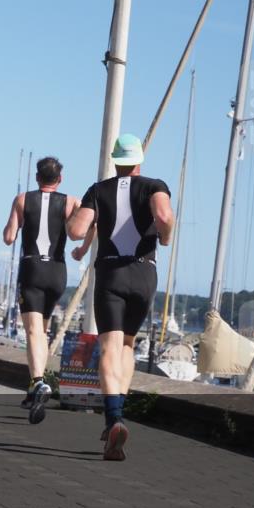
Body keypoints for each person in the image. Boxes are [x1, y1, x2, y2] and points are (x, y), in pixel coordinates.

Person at [67, 134, 173, 460]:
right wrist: (164, 239)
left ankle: (113, 418)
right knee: (127, 344)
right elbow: (165, 218)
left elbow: (75, 231)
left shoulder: (98, 190)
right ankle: (119, 411)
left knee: (109, 346)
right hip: (144, 274)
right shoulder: (155, 185)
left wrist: (81, 222)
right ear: (140, 159)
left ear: (115, 160)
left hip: (111, 273)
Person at [3, 156, 88, 423]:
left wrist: (16, 221)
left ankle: (39, 382)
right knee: (43, 331)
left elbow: (8, 237)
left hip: (32, 269)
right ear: (59, 179)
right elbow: (83, 229)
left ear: (37, 177)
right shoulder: (72, 202)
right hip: (57, 271)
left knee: (32, 332)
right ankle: (34, 387)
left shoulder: (22, 199)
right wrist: (83, 249)